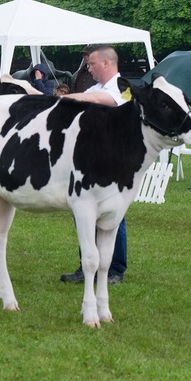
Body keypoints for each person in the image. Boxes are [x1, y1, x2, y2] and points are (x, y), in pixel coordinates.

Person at [59, 44, 128, 284]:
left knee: (113, 215)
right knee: (83, 211)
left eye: (92, 64)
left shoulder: (121, 87)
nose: (89, 68)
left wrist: (65, 97)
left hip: (113, 158)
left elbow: (105, 100)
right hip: (89, 157)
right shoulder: (94, 87)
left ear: (107, 63)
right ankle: (86, 264)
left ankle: (115, 270)